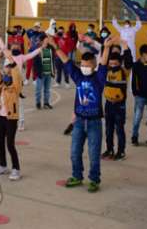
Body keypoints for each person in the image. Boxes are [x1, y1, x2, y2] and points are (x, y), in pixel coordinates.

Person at [55, 39, 107, 193]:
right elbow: (66, 60)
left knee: (93, 153)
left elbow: (104, 62)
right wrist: (54, 45)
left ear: (93, 65)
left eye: (87, 65)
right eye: (82, 65)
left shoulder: (99, 78)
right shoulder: (78, 76)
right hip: (78, 121)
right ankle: (77, 176)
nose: (84, 68)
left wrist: (108, 48)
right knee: (75, 151)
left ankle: (94, 179)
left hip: (94, 122)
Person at [0, 48, 23, 181]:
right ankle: (2, 165)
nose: (5, 73)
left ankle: (16, 169)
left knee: (10, 143)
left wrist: (11, 60)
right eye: (5, 70)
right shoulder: (1, 84)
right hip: (1, 117)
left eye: (8, 71)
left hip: (11, 118)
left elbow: (17, 75)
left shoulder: (15, 87)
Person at [99, 37, 131, 161]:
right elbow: (103, 61)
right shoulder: (106, 70)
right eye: (110, 63)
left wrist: (125, 46)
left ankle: (121, 151)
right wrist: (106, 46)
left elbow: (129, 62)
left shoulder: (123, 71)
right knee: (108, 129)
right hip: (108, 104)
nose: (112, 66)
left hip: (119, 105)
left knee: (119, 129)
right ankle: (109, 149)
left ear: (119, 63)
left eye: (115, 64)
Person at [126, 44, 147, 146]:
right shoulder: (136, 65)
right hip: (140, 96)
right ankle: (134, 137)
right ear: (144, 54)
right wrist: (135, 92)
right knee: (137, 117)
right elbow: (133, 80)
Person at [33, 36, 55, 110]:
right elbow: (35, 63)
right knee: (38, 90)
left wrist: (53, 71)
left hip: (48, 73)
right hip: (41, 74)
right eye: (46, 39)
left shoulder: (50, 49)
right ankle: (38, 103)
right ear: (42, 41)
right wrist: (37, 73)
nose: (47, 41)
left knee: (47, 89)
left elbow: (52, 61)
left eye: (48, 39)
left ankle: (46, 103)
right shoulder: (38, 50)